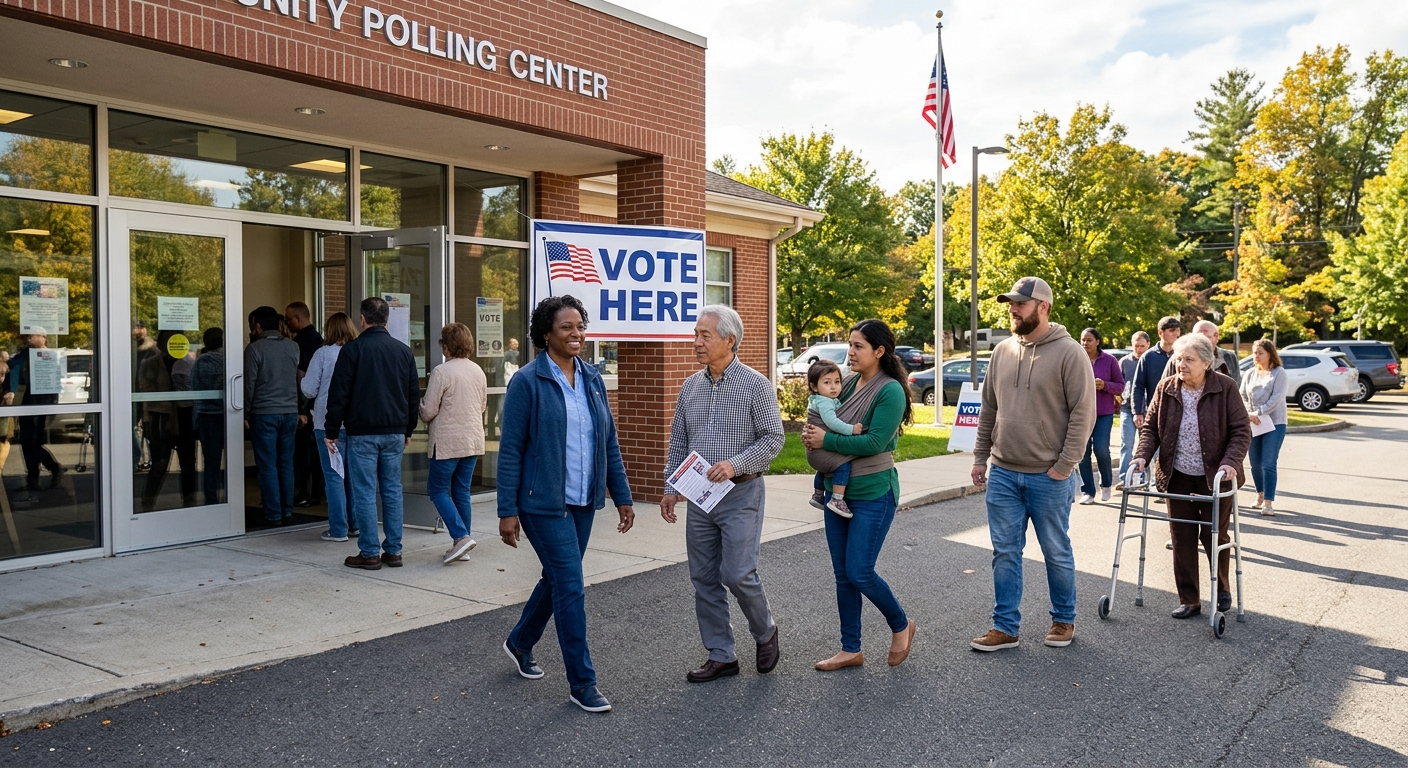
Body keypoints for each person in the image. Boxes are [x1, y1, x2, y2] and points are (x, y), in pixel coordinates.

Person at [497, 295, 634, 714]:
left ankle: (520, 642)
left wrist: (622, 495)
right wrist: (506, 509)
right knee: (571, 585)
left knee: (558, 578)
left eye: (580, 327)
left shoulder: (592, 378)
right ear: (545, 335)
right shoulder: (527, 381)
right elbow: (511, 449)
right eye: (566, 328)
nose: (577, 335)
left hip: (582, 501)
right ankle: (582, 683)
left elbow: (606, 441)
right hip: (542, 504)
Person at [969, 277, 1095, 652]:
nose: (1012, 309)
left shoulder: (1069, 352)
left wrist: (1064, 465)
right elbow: (988, 408)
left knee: (1055, 550)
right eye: (1010, 303)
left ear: (1043, 306)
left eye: (1020, 304)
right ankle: (1005, 627)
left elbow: (1083, 414)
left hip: (1048, 474)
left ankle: (1063, 620)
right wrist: (980, 457)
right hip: (1005, 471)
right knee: (1005, 551)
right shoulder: (1003, 351)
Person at [661, 305, 785, 683]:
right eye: (696, 334)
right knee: (703, 578)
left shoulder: (755, 385)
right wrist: (671, 487)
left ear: (730, 341)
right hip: (700, 498)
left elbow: (774, 440)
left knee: (736, 573)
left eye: (704, 336)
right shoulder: (690, 386)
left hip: (741, 494)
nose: (696, 342)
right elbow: (679, 440)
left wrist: (735, 464)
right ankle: (722, 654)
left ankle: (765, 632)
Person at [800, 319, 918, 671]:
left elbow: (876, 443)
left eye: (858, 346)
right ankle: (850, 648)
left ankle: (901, 624)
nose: (849, 352)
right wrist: (815, 437)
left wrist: (825, 441)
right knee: (842, 574)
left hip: (873, 493)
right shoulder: (846, 385)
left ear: (879, 351)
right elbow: (829, 424)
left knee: (860, 571)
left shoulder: (889, 391)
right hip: (840, 491)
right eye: (849, 344)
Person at [1129, 334, 1249, 619]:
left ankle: (1221, 587)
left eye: (1189, 359)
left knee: (1212, 535)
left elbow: (1241, 430)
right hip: (1177, 474)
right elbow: (1150, 430)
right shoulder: (1166, 388)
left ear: (1207, 362)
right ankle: (1189, 599)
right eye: (1179, 359)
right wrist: (1142, 456)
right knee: (1181, 537)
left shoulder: (1225, 387)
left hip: (1214, 476)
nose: (1181, 364)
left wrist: (1231, 462)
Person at [325, 297, 420, 569]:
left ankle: (369, 552)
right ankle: (394, 550)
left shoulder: (353, 350)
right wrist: (409, 428)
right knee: (392, 490)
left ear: (362, 320)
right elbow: (413, 394)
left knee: (365, 492)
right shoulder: (403, 352)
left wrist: (332, 429)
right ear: (387, 320)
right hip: (394, 432)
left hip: (362, 433)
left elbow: (338, 394)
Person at [420, 322, 487, 564]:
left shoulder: (442, 371)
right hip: (472, 440)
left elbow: (428, 411)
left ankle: (460, 537)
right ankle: (463, 545)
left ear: (446, 346)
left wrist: (417, 405)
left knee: (437, 490)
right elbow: (481, 406)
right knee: (461, 492)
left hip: (447, 442)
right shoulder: (478, 371)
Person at [301, 313, 358, 542]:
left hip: (326, 424)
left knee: (334, 476)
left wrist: (302, 379)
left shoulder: (323, 354)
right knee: (352, 477)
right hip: (353, 424)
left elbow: (309, 389)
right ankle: (355, 524)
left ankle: (337, 529)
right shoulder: (357, 352)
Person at [244, 305, 300, 526]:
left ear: (257, 326)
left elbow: (249, 384)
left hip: (264, 412)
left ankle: (273, 514)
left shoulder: (254, 350)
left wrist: (245, 412)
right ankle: (287, 510)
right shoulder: (293, 347)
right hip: (289, 412)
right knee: (286, 462)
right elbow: (296, 380)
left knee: (267, 465)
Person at [5, 332, 64, 496]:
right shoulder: (26, 352)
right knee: (26, 441)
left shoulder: (50, 356)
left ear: (43, 337)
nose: (28, 339)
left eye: (32, 336)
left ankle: (54, 468)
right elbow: (13, 363)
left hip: (42, 402)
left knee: (32, 441)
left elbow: (55, 381)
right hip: (27, 400)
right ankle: (33, 480)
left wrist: (52, 405)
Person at [805, 359, 863, 518]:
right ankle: (837, 499)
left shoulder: (819, 399)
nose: (833, 386)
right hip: (819, 450)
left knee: (823, 469)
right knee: (842, 465)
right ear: (814, 386)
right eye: (827, 382)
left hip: (815, 452)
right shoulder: (824, 403)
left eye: (837, 382)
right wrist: (852, 430)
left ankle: (818, 495)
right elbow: (832, 422)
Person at [1240, 339, 1287, 517]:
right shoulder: (1250, 373)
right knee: (1255, 464)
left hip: (1274, 423)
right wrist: (1249, 413)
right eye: (1254, 353)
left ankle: (1268, 502)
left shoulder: (1278, 373)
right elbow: (1242, 394)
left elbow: (1276, 398)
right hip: (1253, 423)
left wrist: (1258, 412)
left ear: (1270, 354)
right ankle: (1259, 494)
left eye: (1260, 353)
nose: (1256, 356)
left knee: (1268, 463)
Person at [1077, 328, 1124, 504]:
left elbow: (1120, 386)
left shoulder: (1110, 360)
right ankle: (1088, 491)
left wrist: (1104, 385)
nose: (1085, 343)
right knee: (1082, 452)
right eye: (1082, 340)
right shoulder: (1077, 359)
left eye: (1089, 340)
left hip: (1104, 413)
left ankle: (1105, 484)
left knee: (1101, 449)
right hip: (1081, 413)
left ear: (1097, 341)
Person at [286, 302, 325, 509]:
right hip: (316, 407)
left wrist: (302, 409)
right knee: (315, 454)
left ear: (298, 318)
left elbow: (303, 378)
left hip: (306, 407)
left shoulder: (301, 343)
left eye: (289, 319)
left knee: (304, 454)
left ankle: (307, 492)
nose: (287, 323)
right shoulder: (318, 340)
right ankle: (316, 492)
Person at [189, 328, 226, 505]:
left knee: (211, 462)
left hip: (207, 416)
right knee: (233, 461)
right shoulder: (230, 359)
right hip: (227, 415)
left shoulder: (202, 361)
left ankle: (211, 501)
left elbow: (195, 389)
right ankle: (231, 499)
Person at [1132, 316, 1182, 432]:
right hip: (1154, 411)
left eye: (1178, 330)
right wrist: (1138, 412)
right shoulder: (1148, 357)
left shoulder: (1183, 356)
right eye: (1172, 330)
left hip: (1179, 413)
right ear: (1160, 333)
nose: (1177, 334)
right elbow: (1138, 386)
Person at [1161, 320, 1240, 385]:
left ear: (1216, 336)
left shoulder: (1229, 357)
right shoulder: (1177, 358)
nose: (1200, 342)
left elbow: (1236, 386)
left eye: (1205, 337)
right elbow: (1166, 386)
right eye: (1196, 337)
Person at [1117, 331, 1150, 485]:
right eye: (1136, 345)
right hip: (1127, 409)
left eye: (1142, 346)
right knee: (1126, 445)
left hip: (1148, 410)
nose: (1139, 349)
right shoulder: (1124, 362)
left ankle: (1145, 478)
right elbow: (1118, 384)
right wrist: (1119, 399)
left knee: (1147, 446)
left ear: (1148, 345)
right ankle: (1125, 478)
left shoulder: (1150, 361)